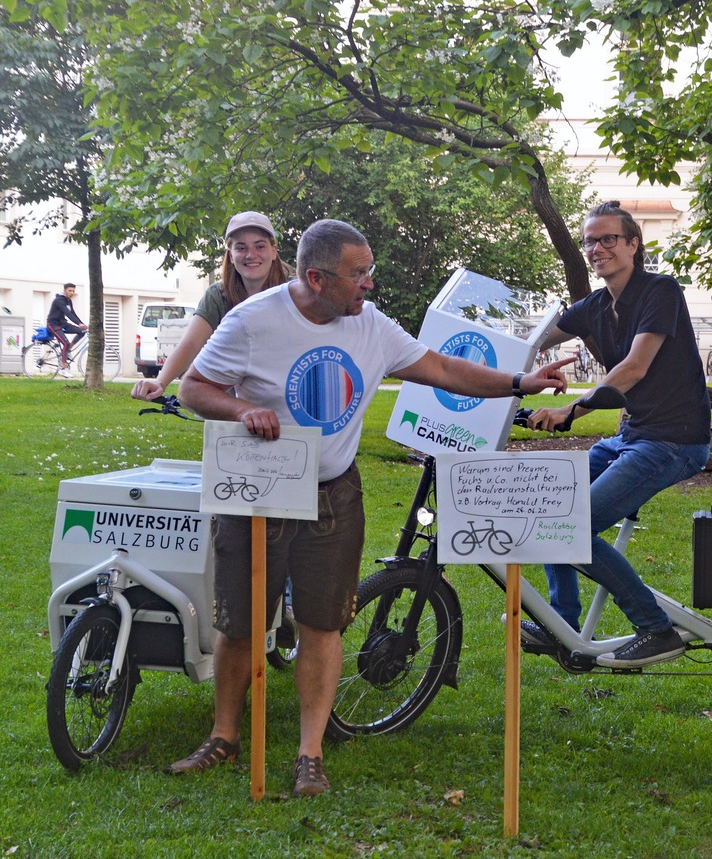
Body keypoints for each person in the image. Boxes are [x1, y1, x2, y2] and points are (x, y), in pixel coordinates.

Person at [170, 218, 571, 797]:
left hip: (335, 495)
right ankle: (224, 736)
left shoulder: (370, 325)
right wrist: (240, 412)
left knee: (323, 622)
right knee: (242, 621)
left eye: (369, 271)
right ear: (317, 277)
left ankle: (309, 755)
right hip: (261, 492)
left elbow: (442, 368)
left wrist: (518, 381)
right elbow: (192, 388)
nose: (370, 285)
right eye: (359, 274)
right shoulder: (252, 322)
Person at [526, 201, 711, 668]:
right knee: (550, 507)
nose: (597, 248)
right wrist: (512, 369)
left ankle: (655, 628)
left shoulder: (660, 291)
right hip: (632, 437)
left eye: (609, 238)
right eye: (591, 240)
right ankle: (560, 623)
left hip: (674, 441)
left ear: (633, 244)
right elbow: (532, 339)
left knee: (572, 527)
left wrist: (574, 408)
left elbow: (634, 367)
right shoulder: (594, 306)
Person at [132, 211, 291, 401]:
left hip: (287, 403)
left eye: (260, 246)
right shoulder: (218, 295)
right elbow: (191, 343)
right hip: (233, 409)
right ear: (231, 256)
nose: (251, 255)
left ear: (274, 251)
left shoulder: (295, 292)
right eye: (241, 248)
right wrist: (160, 382)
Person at [46, 282, 86, 369]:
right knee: (65, 343)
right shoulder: (59, 300)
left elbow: (73, 313)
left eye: (73, 291)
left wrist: (82, 324)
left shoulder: (69, 301)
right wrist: (79, 323)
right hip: (53, 324)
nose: (72, 292)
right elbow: (67, 313)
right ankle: (63, 366)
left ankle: (67, 350)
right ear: (64, 291)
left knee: (82, 331)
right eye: (70, 290)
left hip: (63, 323)